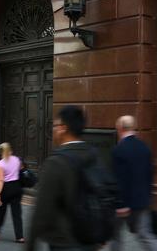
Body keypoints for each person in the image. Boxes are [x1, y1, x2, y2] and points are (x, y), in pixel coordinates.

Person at [28, 105, 104, 251]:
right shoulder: (94, 155)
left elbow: (41, 213)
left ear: (63, 128)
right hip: (91, 240)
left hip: (64, 242)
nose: (54, 130)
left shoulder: (55, 163)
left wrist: (30, 246)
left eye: (55, 125)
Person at [110, 115, 157, 251]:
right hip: (142, 201)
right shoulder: (144, 148)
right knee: (145, 234)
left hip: (124, 203)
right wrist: (148, 198)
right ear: (133, 128)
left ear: (120, 128)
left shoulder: (118, 150)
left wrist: (121, 205)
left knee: (116, 236)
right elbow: (149, 175)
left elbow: (119, 179)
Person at [0, 142, 24, 243]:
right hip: (17, 187)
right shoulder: (17, 159)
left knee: (1, 212)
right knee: (17, 213)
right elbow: (20, 169)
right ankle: (20, 237)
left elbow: (0, 180)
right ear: (10, 149)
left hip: (6, 189)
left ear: (0, 152)